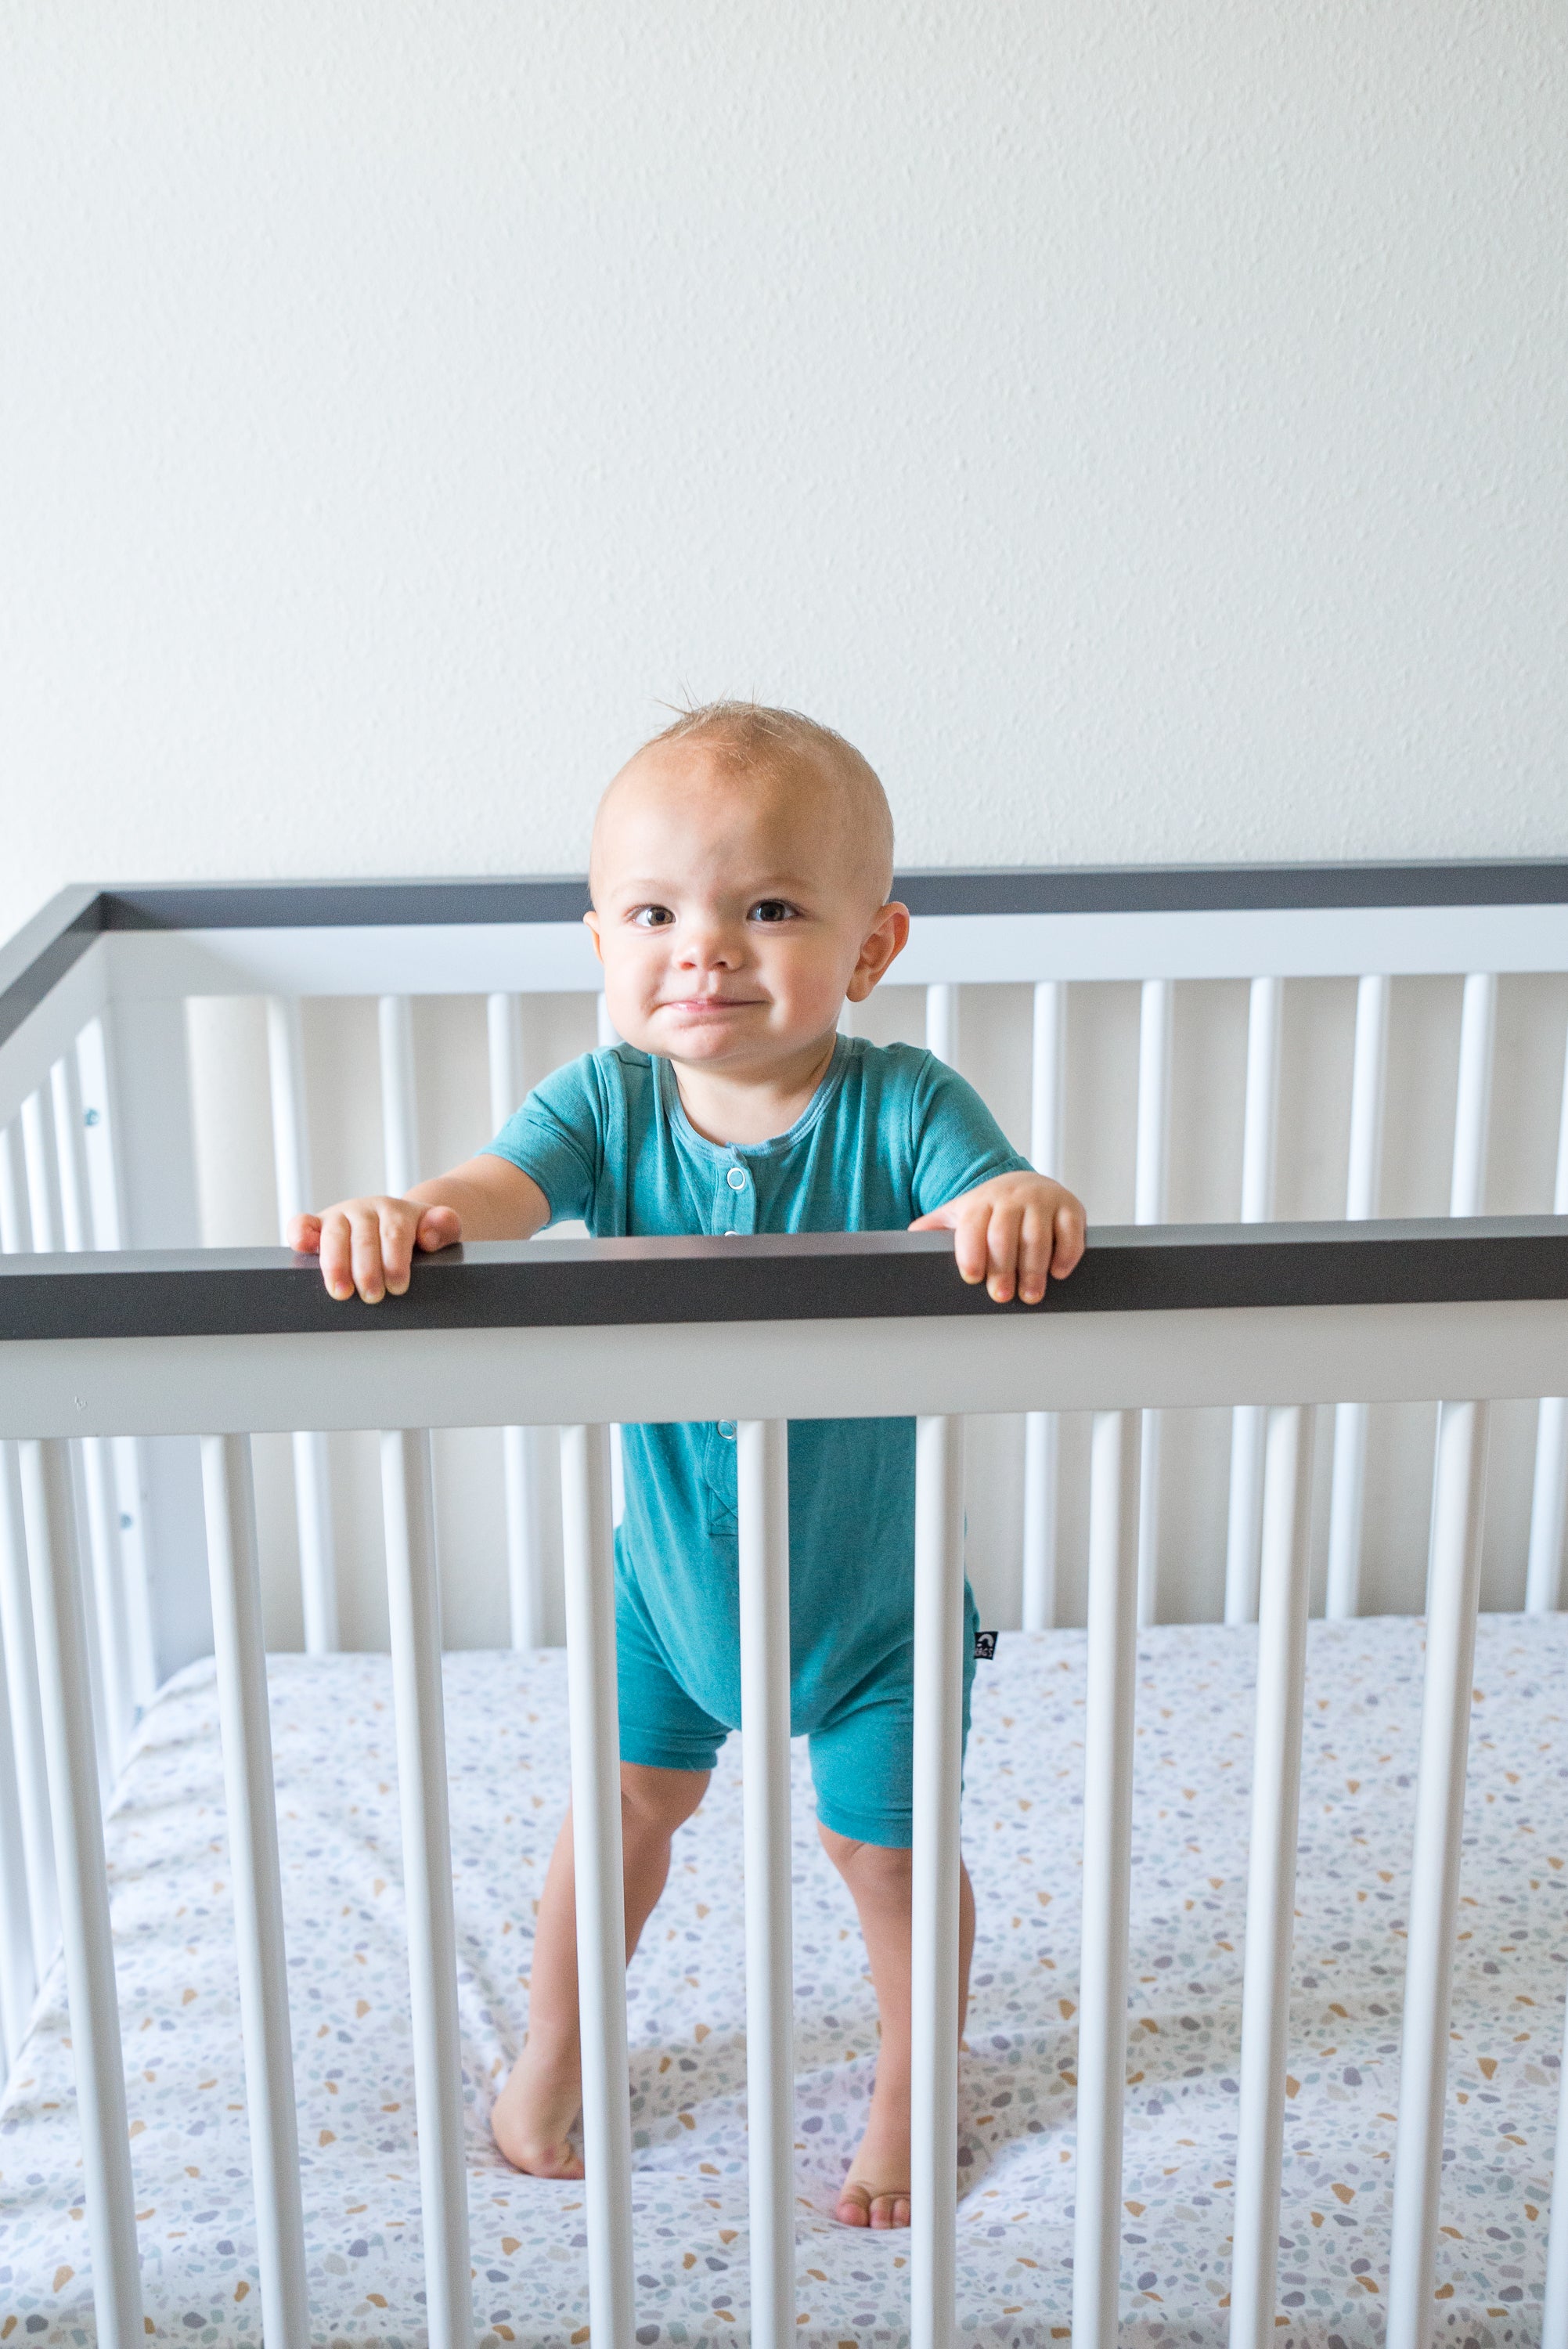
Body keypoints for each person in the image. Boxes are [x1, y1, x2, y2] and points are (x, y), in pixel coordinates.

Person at [289, 702, 1086, 2229]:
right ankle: (553, 2049)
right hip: (664, 1594)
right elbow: (494, 1190)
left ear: (871, 947)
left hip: (881, 1608)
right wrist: (414, 1213)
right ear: (600, 941)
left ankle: (913, 2081)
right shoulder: (605, 1105)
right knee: (617, 1817)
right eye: (655, 915)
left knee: (887, 1857)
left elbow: (988, 1194)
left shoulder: (904, 1104)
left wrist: (1016, 1201)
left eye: (768, 908)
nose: (705, 950)